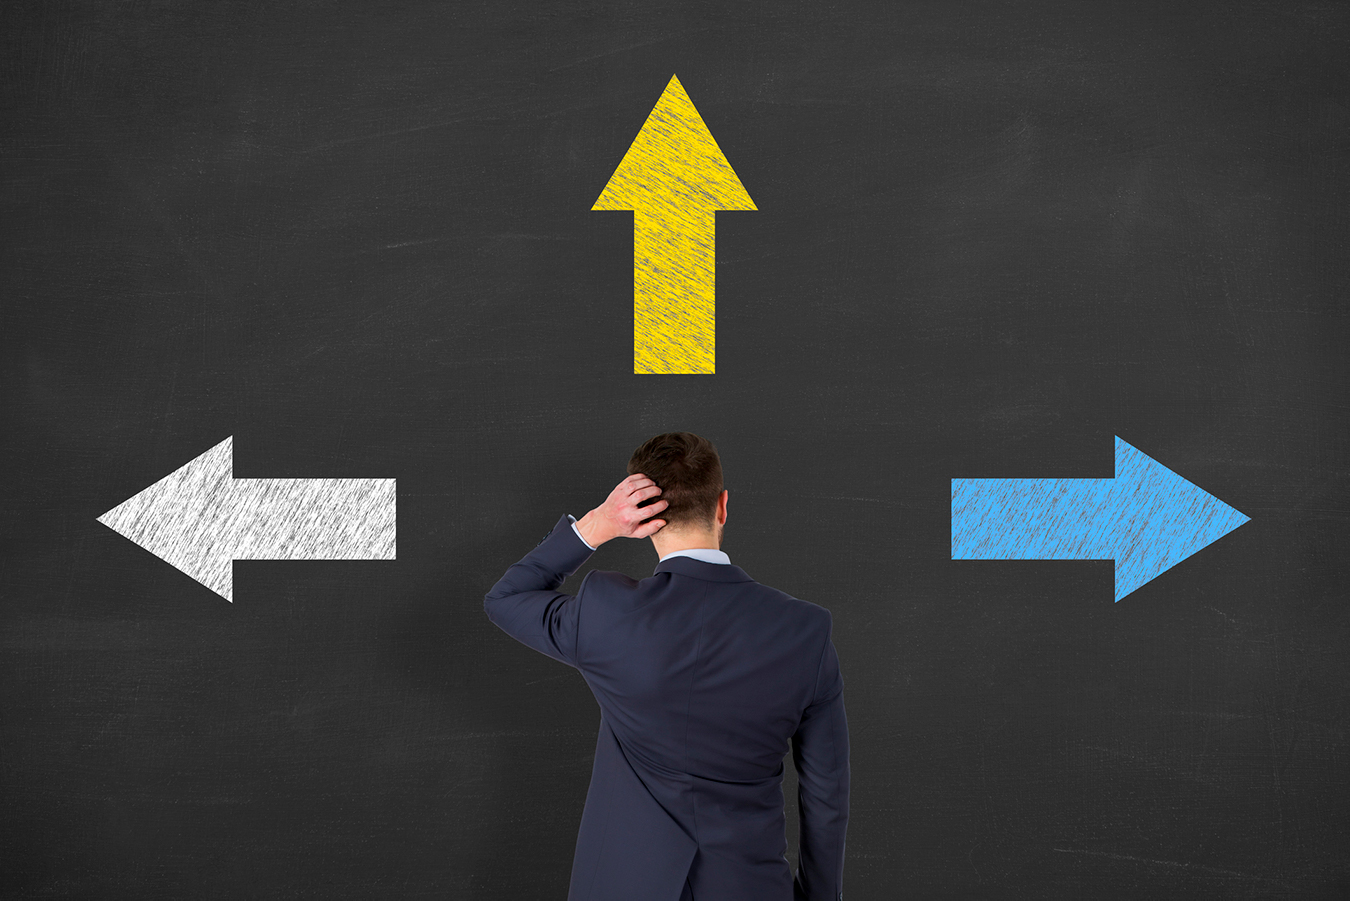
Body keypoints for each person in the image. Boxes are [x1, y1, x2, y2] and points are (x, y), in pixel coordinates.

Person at [484, 432, 849, 900]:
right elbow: (825, 799)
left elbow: (506, 599)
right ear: (721, 506)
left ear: (646, 519)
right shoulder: (806, 632)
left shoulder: (606, 612)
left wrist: (595, 526)